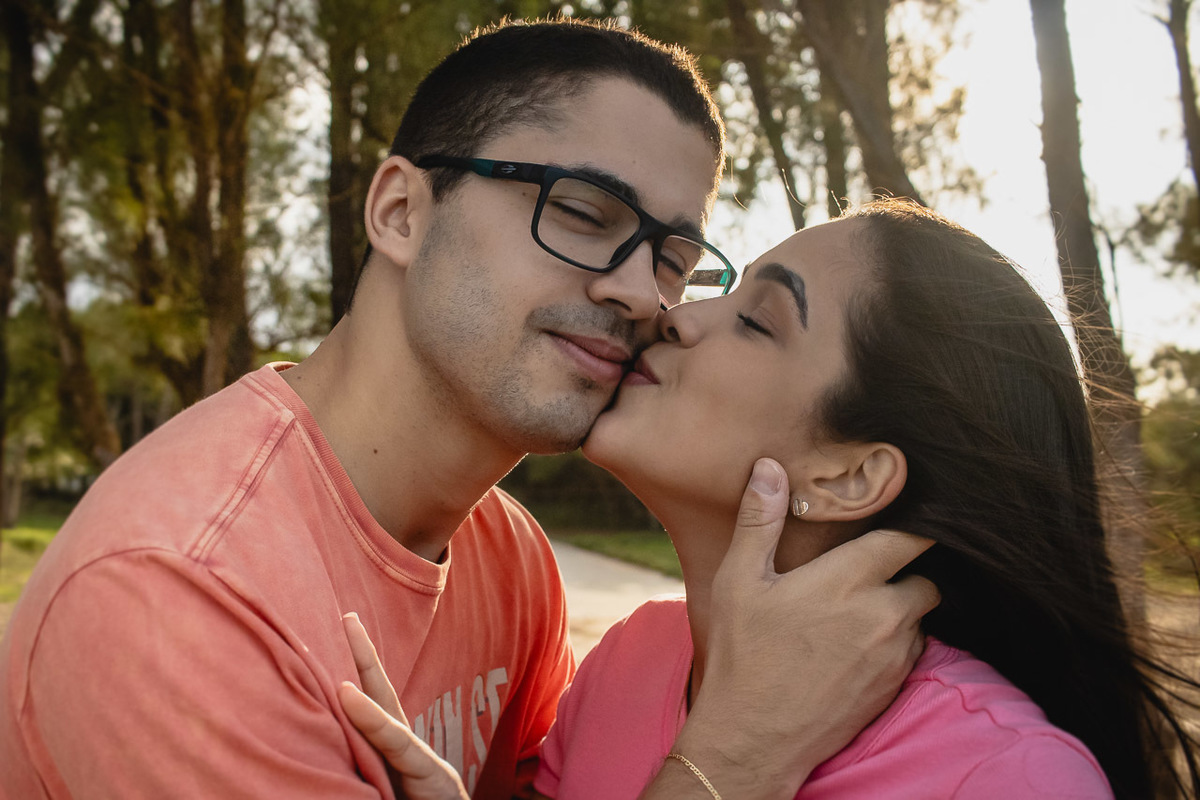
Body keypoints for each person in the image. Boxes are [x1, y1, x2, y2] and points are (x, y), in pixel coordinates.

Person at [0, 19, 938, 800]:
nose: (641, 294)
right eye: (580, 211)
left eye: (672, 258)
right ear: (403, 212)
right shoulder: (186, 595)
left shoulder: (513, 566)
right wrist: (735, 757)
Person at [342, 200, 1200, 800]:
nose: (676, 315)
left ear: (848, 478)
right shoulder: (627, 668)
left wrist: (729, 770)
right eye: (727, 289)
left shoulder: (1008, 779)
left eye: (757, 320)